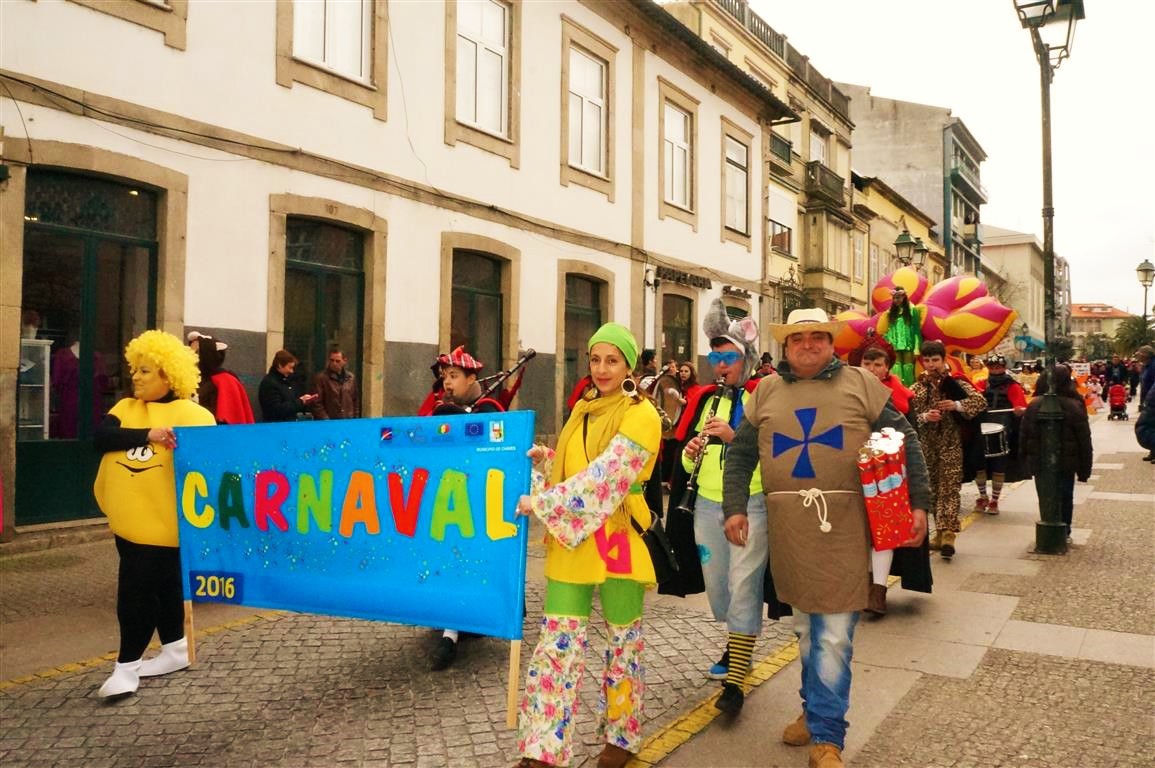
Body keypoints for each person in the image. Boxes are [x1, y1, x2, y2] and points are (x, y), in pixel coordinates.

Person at [721, 308, 930, 768]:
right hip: (790, 532)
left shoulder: (861, 384)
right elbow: (739, 454)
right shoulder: (767, 391)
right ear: (787, 345)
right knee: (803, 630)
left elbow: (905, 439)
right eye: (799, 338)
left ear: (832, 343)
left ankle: (828, 739)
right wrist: (734, 507)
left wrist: (920, 503)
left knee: (834, 635)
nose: (809, 344)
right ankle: (814, 711)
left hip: (845, 527)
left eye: (818, 336)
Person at [513, 322, 662, 768]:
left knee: (623, 641)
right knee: (556, 644)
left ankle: (621, 736)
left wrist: (543, 501)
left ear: (628, 364)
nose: (601, 369)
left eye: (612, 360)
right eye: (595, 359)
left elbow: (608, 478)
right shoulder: (583, 408)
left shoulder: (643, 415)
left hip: (618, 538)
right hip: (573, 543)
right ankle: (542, 749)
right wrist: (548, 461)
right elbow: (579, 467)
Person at [91, 330, 216, 698]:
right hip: (127, 522)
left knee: (135, 594)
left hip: (164, 525)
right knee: (163, 588)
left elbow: (209, 469)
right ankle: (175, 648)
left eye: (146, 371)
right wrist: (149, 434)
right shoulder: (125, 409)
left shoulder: (194, 415)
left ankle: (126, 668)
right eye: (136, 369)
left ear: (169, 375)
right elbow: (100, 438)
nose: (136, 377)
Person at [675, 299, 764, 715]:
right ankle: (737, 641)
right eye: (715, 356)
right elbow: (688, 461)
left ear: (744, 359)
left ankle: (735, 678)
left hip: (751, 502)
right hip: (707, 503)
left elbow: (775, 451)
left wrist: (735, 438)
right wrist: (691, 451)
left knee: (745, 584)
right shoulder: (707, 400)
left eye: (728, 356)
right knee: (719, 587)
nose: (720, 364)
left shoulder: (761, 396)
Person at [426, 346, 504, 670]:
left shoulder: (489, 407)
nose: (447, 383)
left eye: (454, 376)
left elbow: (499, 443)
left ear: (472, 377)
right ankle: (450, 628)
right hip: (448, 500)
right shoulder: (441, 407)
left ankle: (458, 629)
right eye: (445, 377)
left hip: (479, 502)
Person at [856, 345, 931, 616]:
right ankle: (864, 586)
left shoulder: (897, 396)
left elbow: (909, 438)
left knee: (883, 533)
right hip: (856, 473)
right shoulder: (851, 389)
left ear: (887, 368)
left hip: (888, 475)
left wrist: (917, 497)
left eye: (878, 365)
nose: (873, 369)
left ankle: (877, 591)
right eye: (868, 363)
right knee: (861, 534)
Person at [909, 340, 986, 559]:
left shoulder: (956, 382)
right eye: (927, 360)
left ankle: (949, 532)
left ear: (944, 360)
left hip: (951, 443)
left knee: (949, 488)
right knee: (932, 489)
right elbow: (908, 415)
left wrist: (956, 405)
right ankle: (939, 532)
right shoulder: (917, 387)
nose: (932, 365)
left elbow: (980, 402)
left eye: (935, 360)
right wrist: (925, 417)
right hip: (926, 446)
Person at [1019, 364, 1092, 541]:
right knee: (1066, 496)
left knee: (1045, 495)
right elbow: (1084, 440)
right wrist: (1084, 469)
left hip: (1040, 462)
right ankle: (1064, 530)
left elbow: (1024, 435)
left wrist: (1025, 461)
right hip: (1067, 463)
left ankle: (1048, 525)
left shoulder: (1034, 405)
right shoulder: (1075, 405)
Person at [970, 354, 1027, 515]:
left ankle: (995, 500)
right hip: (982, 426)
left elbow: (1020, 406)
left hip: (1003, 428)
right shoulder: (981, 384)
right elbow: (972, 399)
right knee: (978, 465)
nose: (995, 370)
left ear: (1004, 368)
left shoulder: (1013, 386)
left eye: (999, 367)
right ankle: (983, 496)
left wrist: (1019, 410)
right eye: (992, 367)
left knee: (998, 466)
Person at [189, 332, 254, 425]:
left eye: (196, 352)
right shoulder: (188, 379)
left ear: (207, 355)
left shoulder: (226, 381)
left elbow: (226, 416)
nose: (190, 356)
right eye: (189, 351)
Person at [258, 350, 318, 422]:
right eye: (290, 367)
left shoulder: (285, 381)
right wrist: (300, 402)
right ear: (280, 365)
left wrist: (303, 401)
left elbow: (289, 402)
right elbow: (276, 409)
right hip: (276, 427)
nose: (291, 371)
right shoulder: (270, 383)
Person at [880, 287, 922, 386]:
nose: (896, 300)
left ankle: (909, 388)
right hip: (894, 344)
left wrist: (917, 348)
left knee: (908, 366)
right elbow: (887, 329)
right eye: (894, 298)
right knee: (896, 366)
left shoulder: (912, 310)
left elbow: (916, 330)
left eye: (898, 298)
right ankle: (897, 387)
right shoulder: (890, 312)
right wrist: (888, 343)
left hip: (909, 344)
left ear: (904, 297)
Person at [311, 346, 360, 420]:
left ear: (344, 361)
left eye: (337, 361)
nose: (334, 363)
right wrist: (325, 419)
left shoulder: (351, 378)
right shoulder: (321, 378)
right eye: (332, 360)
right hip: (329, 420)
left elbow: (355, 400)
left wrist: (355, 418)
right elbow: (317, 403)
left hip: (347, 420)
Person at [1136, 346, 1155, 461]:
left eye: (1140, 354)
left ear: (1145, 355)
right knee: (1151, 426)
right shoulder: (1146, 366)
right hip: (1148, 400)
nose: (1138, 356)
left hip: (1152, 401)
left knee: (1148, 426)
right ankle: (1153, 451)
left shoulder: (1153, 366)